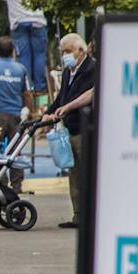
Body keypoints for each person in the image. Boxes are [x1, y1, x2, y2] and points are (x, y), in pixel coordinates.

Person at [42, 33, 96, 229]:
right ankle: (78, 216)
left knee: (87, 173)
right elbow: (61, 99)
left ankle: (91, 217)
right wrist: (48, 114)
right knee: (74, 174)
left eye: (68, 51)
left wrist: (65, 109)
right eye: (63, 52)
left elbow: (89, 95)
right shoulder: (67, 72)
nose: (65, 56)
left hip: (85, 129)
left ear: (80, 51)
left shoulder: (92, 69)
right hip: (70, 129)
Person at [0, 36, 35, 193]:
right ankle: (17, 186)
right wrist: (30, 112)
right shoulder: (21, 69)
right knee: (16, 150)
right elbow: (28, 94)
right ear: (12, 51)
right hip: (16, 116)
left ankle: (0, 184)